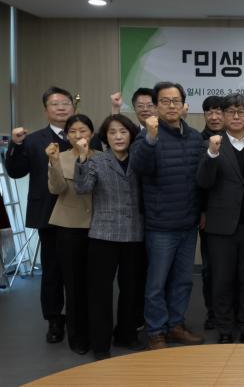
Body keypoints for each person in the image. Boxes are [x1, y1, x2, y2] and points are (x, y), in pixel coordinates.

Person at [4, 86, 96, 344]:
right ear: (46, 110)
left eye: (65, 103)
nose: (61, 107)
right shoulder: (33, 140)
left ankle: (82, 317)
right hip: (48, 214)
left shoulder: (87, 137)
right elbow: (16, 171)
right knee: (53, 271)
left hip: (83, 216)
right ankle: (55, 320)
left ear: (73, 107)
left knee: (82, 271)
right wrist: (15, 145)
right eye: (55, 104)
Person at [130, 81, 205, 351]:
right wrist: (151, 139)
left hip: (188, 223)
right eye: (165, 101)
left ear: (184, 105)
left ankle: (176, 325)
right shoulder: (146, 137)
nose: (171, 106)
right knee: (157, 283)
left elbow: (200, 180)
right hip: (160, 224)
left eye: (176, 101)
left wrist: (201, 211)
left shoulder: (195, 137)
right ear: (156, 106)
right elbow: (139, 167)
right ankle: (155, 331)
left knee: (183, 280)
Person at [196, 93, 244, 344]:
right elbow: (203, 182)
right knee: (222, 280)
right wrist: (211, 155)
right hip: (220, 227)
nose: (236, 116)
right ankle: (225, 329)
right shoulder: (210, 145)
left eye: (242, 111)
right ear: (223, 115)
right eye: (231, 112)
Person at [74, 114, 146, 360]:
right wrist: (82, 159)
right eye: (112, 132)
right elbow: (82, 188)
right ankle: (101, 344)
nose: (118, 137)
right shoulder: (96, 160)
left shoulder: (140, 160)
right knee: (100, 292)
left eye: (123, 132)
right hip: (103, 235)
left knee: (131, 290)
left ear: (132, 135)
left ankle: (126, 334)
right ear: (105, 137)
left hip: (135, 233)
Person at [47, 114, 97, 355]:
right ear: (67, 136)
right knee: (74, 285)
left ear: (92, 134)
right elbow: (56, 189)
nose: (79, 135)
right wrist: (54, 162)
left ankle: (97, 330)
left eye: (83, 130)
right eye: (73, 131)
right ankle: (77, 336)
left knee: (96, 284)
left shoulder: (101, 157)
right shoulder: (59, 157)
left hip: (98, 227)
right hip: (68, 228)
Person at [199, 96, 226, 330]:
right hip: (208, 216)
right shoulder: (197, 141)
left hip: (235, 215)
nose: (214, 117)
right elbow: (197, 182)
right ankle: (213, 311)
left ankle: (231, 311)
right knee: (210, 268)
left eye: (218, 112)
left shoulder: (236, 140)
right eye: (210, 112)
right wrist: (201, 210)